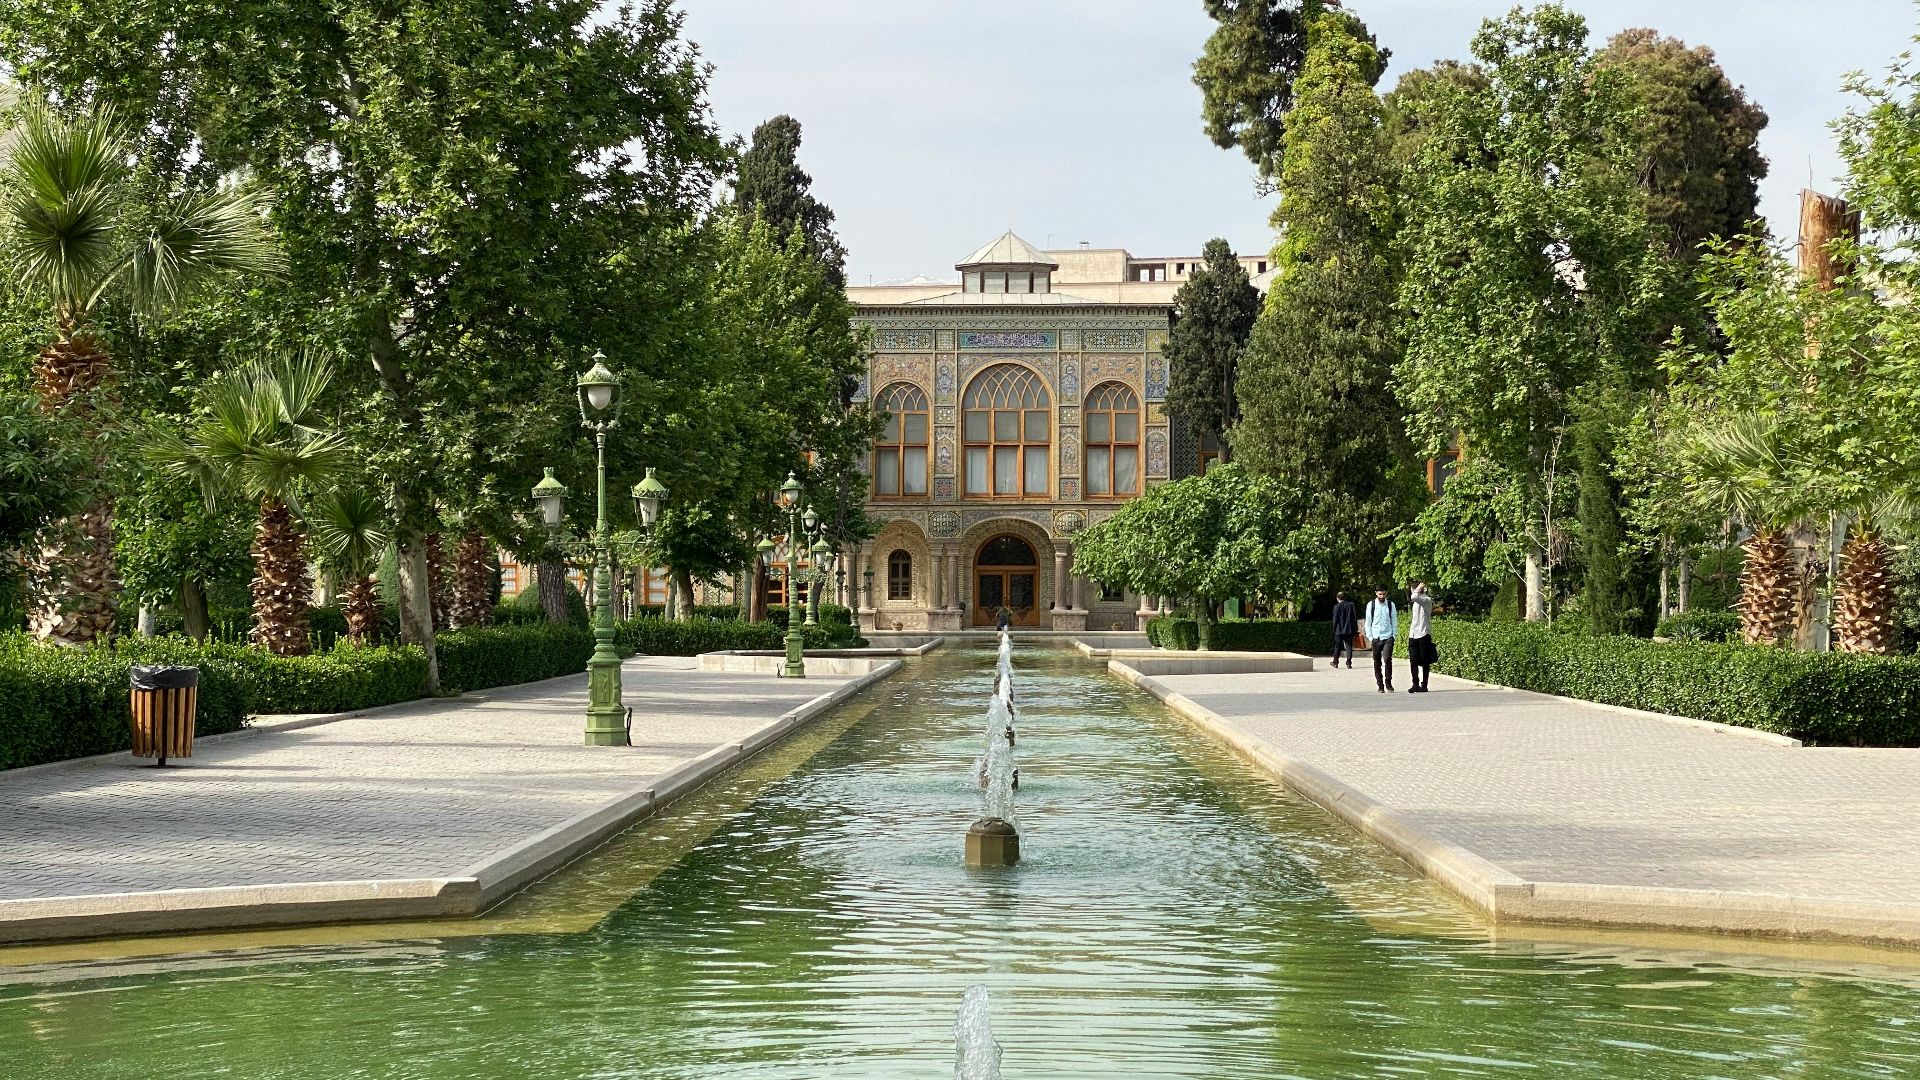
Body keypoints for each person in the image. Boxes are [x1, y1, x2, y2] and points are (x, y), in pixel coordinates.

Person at [1364, 586, 1397, 693]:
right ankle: (1380, 685)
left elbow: (1394, 621)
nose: (1382, 596)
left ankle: (1388, 683)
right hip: (1376, 637)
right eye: (1380, 594)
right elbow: (1368, 623)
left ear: (1386, 593)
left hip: (1388, 637)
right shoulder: (1371, 605)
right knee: (1377, 662)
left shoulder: (1391, 605)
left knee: (1387, 659)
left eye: (1383, 594)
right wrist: (1370, 637)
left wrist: (1394, 635)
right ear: (1376, 593)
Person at [1407, 582, 1436, 693]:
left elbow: (1414, 596)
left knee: (1425, 661)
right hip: (1413, 634)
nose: (1412, 591)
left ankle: (1424, 684)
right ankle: (1415, 684)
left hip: (1424, 634)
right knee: (1413, 661)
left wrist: (1418, 588)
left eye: (1414, 589)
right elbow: (1414, 597)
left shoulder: (1426, 600)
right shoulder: (1416, 602)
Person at [1329, 591, 1357, 669]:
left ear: (1337, 598)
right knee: (1349, 646)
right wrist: (1355, 629)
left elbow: (1335, 620)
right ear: (1345, 597)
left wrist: (1334, 630)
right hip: (1349, 629)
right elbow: (1354, 618)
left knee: (1337, 646)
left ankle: (1335, 662)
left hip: (1339, 630)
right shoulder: (1351, 605)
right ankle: (1349, 663)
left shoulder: (1336, 607)